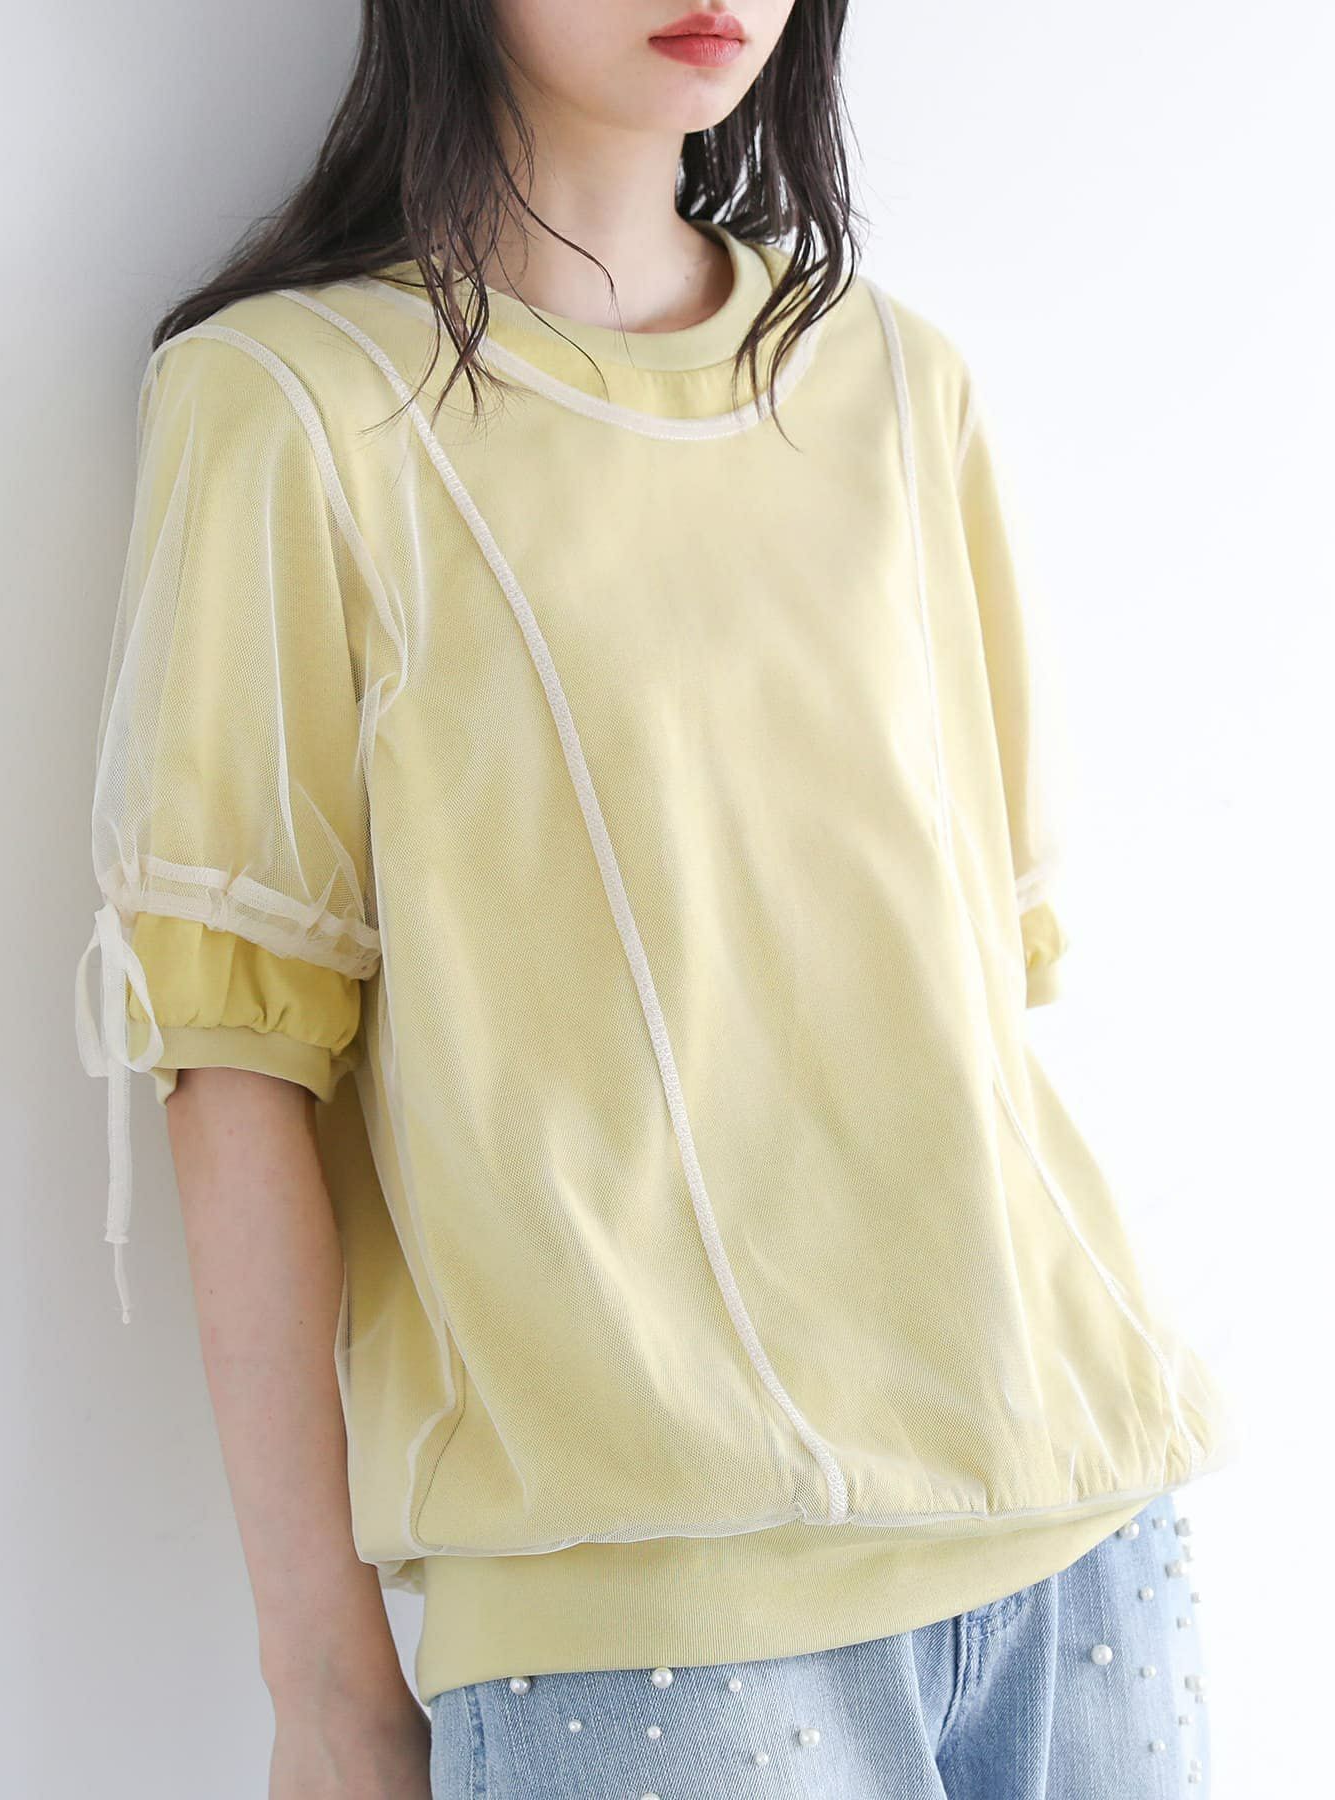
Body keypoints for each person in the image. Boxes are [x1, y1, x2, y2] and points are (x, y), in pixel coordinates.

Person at [72, 3, 1235, 1794]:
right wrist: (328, 1690)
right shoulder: (297, 408)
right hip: (650, 1619)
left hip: (1083, 1534)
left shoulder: (899, 386)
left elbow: (963, 1017)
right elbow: (232, 1062)